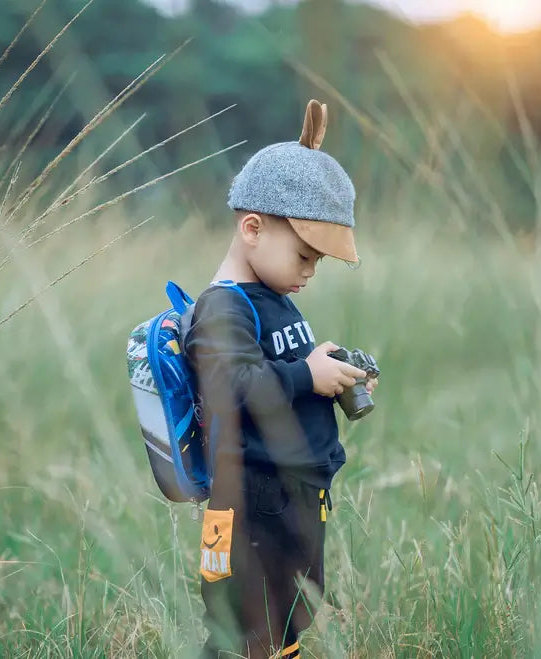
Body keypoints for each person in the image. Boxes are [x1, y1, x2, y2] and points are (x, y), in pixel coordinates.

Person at [182, 99, 378, 659]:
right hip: (249, 500)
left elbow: (279, 366)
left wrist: (329, 368)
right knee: (245, 624)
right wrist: (304, 374)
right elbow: (236, 386)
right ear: (252, 228)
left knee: (290, 613)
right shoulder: (224, 307)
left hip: (290, 495)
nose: (310, 272)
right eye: (304, 255)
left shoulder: (271, 296)